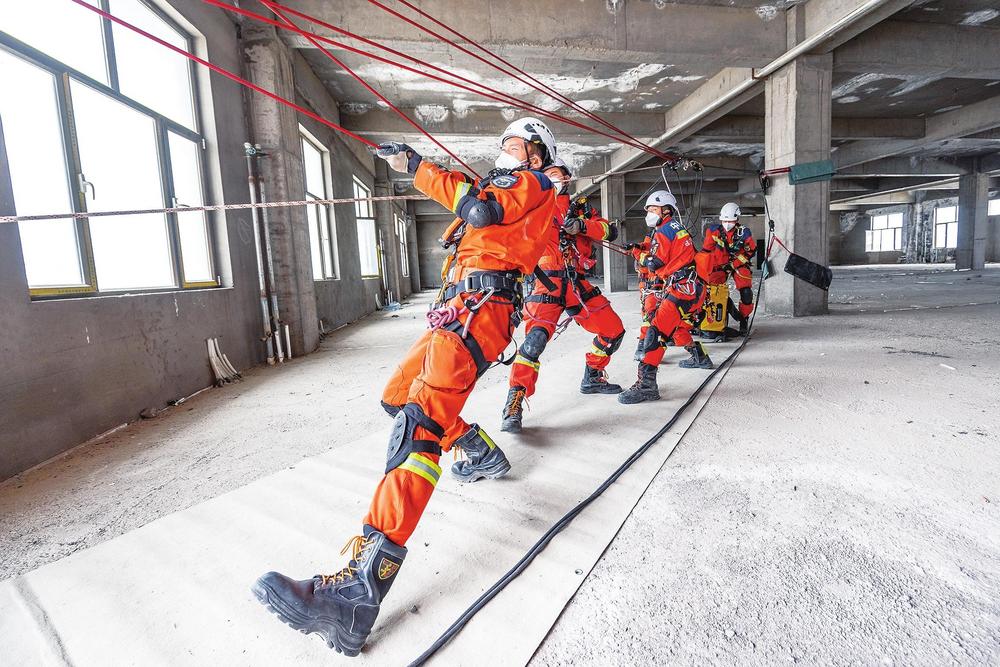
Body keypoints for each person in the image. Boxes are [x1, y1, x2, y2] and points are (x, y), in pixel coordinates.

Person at [252, 118, 559, 656]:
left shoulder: (531, 183)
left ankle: (358, 593)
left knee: (418, 430)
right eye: (504, 144)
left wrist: (416, 167)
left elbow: (480, 212)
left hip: (479, 311)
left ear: (536, 155)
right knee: (397, 398)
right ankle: (477, 449)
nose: (506, 151)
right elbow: (472, 222)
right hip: (461, 309)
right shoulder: (513, 192)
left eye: (516, 145)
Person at [499, 157, 626, 434]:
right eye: (546, 174)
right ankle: (514, 403)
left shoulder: (582, 209)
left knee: (613, 331)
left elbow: (610, 230)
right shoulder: (532, 206)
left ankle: (593, 375)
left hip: (577, 284)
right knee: (533, 342)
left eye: (556, 174)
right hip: (547, 283)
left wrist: (582, 226)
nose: (552, 179)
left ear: (567, 178)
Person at [619, 191, 713, 405]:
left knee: (655, 332)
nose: (649, 214)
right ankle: (700, 357)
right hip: (691, 287)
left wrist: (637, 254)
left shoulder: (663, 231)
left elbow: (654, 263)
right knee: (676, 328)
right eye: (649, 210)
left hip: (682, 289)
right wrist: (639, 248)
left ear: (666, 210)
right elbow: (664, 252)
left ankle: (646, 386)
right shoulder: (674, 228)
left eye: (653, 210)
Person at [700, 202, 756, 340]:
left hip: (738, 264)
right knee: (715, 291)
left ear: (737, 219)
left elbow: (750, 252)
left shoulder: (744, 233)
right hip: (720, 264)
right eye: (724, 221)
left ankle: (744, 319)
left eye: (730, 221)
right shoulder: (713, 231)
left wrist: (734, 264)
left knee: (746, 292)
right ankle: (723, 315)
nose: (727, 224)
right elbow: (706, 252)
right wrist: (701, 269)